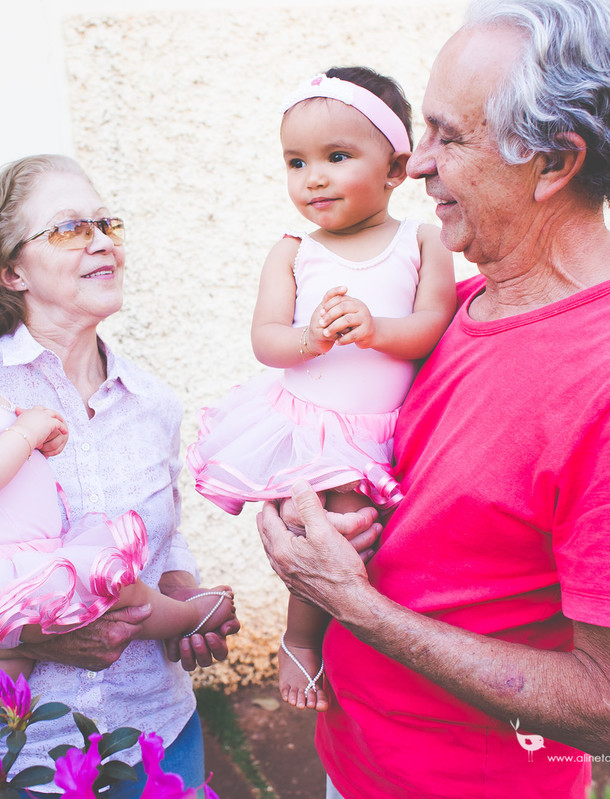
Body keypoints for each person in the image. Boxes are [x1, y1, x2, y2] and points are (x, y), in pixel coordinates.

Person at [256, 1, 610, 796]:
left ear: (552, 162)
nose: (415, 164)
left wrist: (351, 602)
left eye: (449, 135)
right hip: (353, 761)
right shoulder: (454, 306)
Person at [0, 155, 239, 797]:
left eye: (107, 224)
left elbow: (165, 540)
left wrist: (183, 599)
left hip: (157, 729)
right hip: (17, 756)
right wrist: (35, 637)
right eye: (70, 228)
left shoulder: (152, 403)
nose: (102, 242)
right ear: (11, 270)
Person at [186, 67, 454, 711]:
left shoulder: (422, 240)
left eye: (337, 157)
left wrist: (372, 327)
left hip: (389, 423)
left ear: (395, 170)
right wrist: (314, 338)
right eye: (296, 161)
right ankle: (301, 639)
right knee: (326, 529)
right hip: (315, 420)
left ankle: (384, 654)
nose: (314, 177)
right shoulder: (292, 252)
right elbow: (267, 339)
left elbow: (432, 324)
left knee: (380, 540)